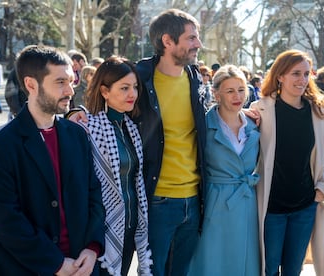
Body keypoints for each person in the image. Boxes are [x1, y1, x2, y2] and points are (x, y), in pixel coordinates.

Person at [0, 45, 105, 275]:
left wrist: (92, 248)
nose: (70, 90)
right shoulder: (1, 144)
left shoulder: (77, 134)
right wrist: (55, 263)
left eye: (71, 80)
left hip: (83, 265)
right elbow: (5, 218)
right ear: (31, 84)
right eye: (60, 82)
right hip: (29, 268)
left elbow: (94, 194)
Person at [250, 49, 324, 276]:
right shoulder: (261, 110)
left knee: (293, 269)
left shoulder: (317, 112)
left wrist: (322, 189)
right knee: (268, 269)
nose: (302, 79)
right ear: (280, 76)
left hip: (304, 206)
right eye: (295, 73)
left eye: (306, 73)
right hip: (271, 207)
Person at [134, 9, 206, 276]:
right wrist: (76, 113)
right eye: (191, 38)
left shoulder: (195, 77)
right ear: (167, 41)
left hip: (194, 200)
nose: (198, 44)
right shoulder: (138, 77)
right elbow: (106, 107)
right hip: (158, 203)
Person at [78, 56, 152, 276]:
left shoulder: (131, 127)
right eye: (124, 88)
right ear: (104, 91)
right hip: (99, 230)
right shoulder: (87, 128)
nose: (133, 94)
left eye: (135, 87)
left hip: (129, 226)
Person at [188, 65, 260, 275]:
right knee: (213, 262)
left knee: (244, 263)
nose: (237, 96)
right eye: (230, 91)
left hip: (247, 204)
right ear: (216, 94)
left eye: (241, 89)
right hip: (215, 205)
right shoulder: (203, 125)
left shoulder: (255, 125)